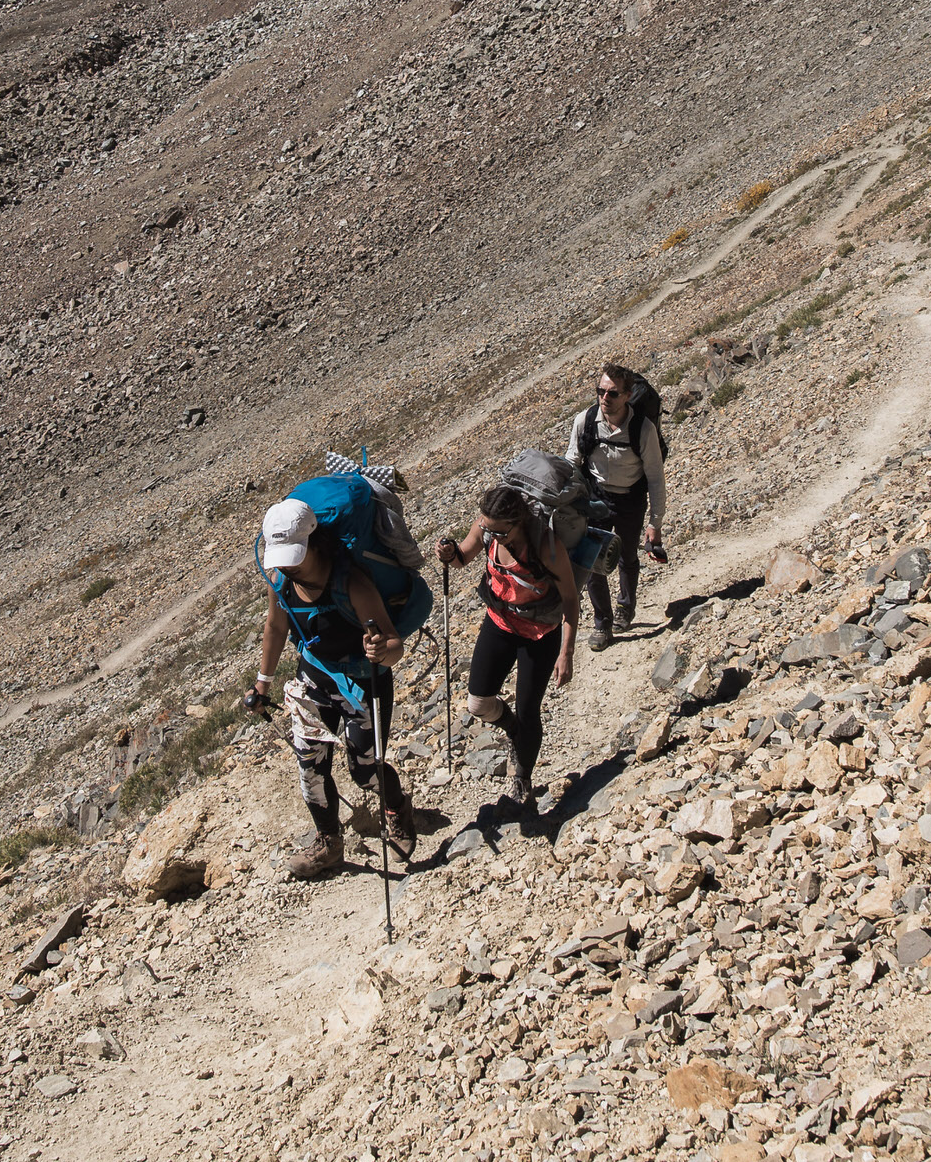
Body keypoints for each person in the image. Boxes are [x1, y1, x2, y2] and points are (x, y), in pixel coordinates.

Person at [255, 495, 420, 882]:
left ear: (313, 543)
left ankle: (397, 808)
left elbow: (394, 645)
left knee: (365, 769)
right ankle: (328, 843)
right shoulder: (281, 580)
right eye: (282, 556)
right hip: (313, 681)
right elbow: (276, 629)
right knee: (310, 767)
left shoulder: (352, 582)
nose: (287, 565)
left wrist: (382, 650)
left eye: (294, 554)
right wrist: (263, 684)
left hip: (364, 685)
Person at [436, 483, 579, 810]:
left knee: (530, 710)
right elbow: (463, 558)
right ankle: (513, 729)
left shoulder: (546, 548)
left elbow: (571, 599)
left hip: (541, 633)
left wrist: (566, 652)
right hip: (500, 621)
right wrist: (449, 553)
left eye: (498, 532)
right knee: (477, 703)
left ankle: (523, 777)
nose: (489, 535)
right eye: (485, 527)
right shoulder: (488, 527)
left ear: (518, 523)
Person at [566, 361, 667, 652]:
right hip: (595, 499)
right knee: (590, 561)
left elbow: (656, 477)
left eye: (612, 393)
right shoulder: (584, 421)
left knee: (627, 555)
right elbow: (571, 463)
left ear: (627, 395)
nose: (604, 398)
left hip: (630, 499)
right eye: (600, 391)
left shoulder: (643, 429)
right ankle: (602, 622)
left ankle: (626, 606)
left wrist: (655, 523)